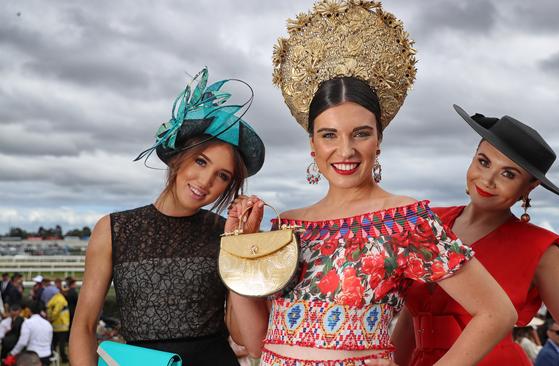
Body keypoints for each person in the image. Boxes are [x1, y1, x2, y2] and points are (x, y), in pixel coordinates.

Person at [228, 1, 518, 365]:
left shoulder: (405, 221)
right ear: (313, 145)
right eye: (329, 135)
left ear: (378, 141)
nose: (345, 150)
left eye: (360, 134)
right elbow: (257, 344)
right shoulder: (288, 224)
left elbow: (496, 314)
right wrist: (239, 251)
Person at [392, 105, 559, 365]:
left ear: (529, 187)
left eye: (508, 174)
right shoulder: (428, 222)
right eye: (483, 161)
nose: (488, 180)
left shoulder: (539, 248)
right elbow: (412, 319)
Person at [69, 67, 265, 366]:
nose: (205, 181)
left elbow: (240, 335)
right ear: (177, 157)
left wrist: (240, 249)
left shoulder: (223, 233)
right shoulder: (113, 229)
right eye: (201, 161)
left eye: (222, 176)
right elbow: (83, 327)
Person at [46, 289, 69, 363]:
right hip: (62, 325)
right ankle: (64, 358)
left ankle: (51, 356)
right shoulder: (61, 299)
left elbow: (48, 307)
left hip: (54, 325)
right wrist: (52, 318)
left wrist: (49, 318)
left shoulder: (53, 299)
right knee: (62, 344)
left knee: (54, 343)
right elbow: (56, 312)